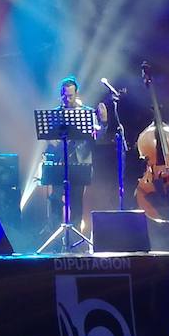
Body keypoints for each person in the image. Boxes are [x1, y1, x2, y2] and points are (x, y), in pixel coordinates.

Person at [43, 75, 108, 236]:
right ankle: (57, 237)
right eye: (65, 95)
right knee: (55, 198)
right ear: (61, 94)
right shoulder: (55, 114)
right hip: (60, 163)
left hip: (80, 163)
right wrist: (53, 142)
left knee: (77, 202)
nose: (67, 99)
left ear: (76, 94)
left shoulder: (86, 113)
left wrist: (104, 122)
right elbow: (49, 141)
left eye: (70, 95)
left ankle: (75, 238)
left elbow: (97, 137)